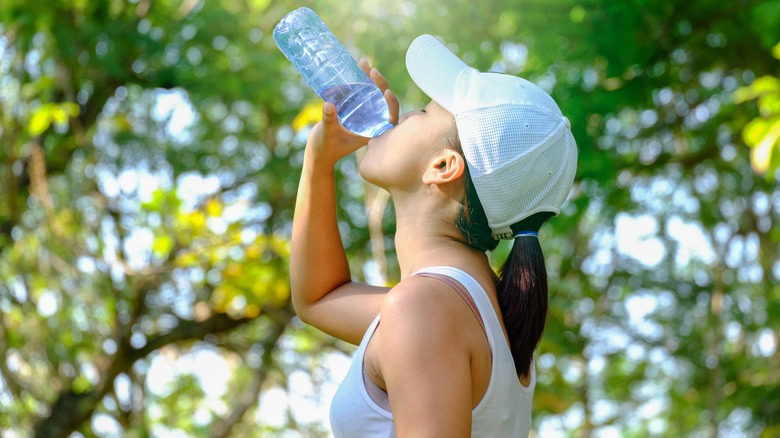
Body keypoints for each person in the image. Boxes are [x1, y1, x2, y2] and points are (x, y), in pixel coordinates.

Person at [290, 34, 577, 437]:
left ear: (443, 165)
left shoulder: (425, 306)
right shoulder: (470, 306)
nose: (403, 114)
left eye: (423, 112)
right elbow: (319, 299)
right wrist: (319, 161)